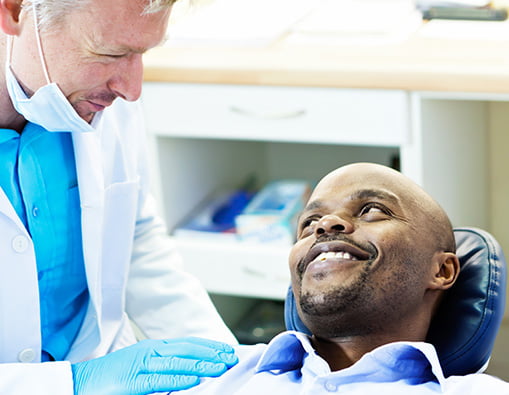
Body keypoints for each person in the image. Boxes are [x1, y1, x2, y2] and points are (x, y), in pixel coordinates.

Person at [0, 0, 238, 394]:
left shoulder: (97, 99)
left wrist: (227, 366)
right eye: (110, 53)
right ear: (14, 11)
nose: (131, 89)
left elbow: (135, 237)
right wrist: (70, 384)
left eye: (140, 53)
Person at [176, 162, 509, 394]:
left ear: (441, 270)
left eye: (371, 211)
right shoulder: (211, 376)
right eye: (309, 222)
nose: (325, 225)